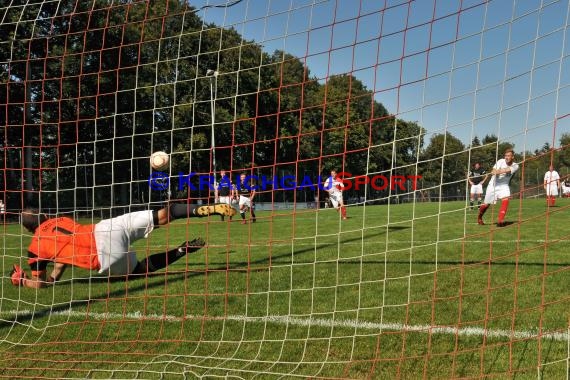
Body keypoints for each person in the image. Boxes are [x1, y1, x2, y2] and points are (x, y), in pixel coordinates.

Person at [10, 203, 236, 288]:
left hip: (104, 256)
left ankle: (180, 250)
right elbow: (61, 260)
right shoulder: (61, 220)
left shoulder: (35, 246)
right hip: (107, 228)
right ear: (44, 215)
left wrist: (22, 281)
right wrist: (54, 276)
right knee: (163, 215)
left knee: (140, 270)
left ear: (28, 229)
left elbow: (40, 284)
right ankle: (201, 209)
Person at [477, 148, 519, 227]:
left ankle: (500, 220)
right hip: (493, 185)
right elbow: (494, 169)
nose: (506, 157)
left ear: (513, 157)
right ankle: (479, 217)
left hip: (504, 185)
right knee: (486, 204)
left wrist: (498, 171)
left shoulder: (516, 165)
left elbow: (507, 170)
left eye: (509, 156)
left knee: (506, 199)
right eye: (505, 155)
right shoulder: (500, 161)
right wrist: (494, 171)